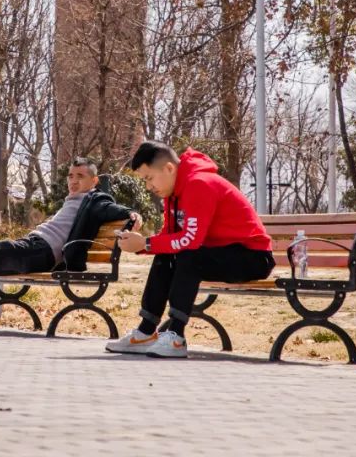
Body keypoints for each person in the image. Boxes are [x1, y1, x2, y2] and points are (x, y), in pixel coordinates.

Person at [106, 141, 274, 358]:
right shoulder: (173, 194)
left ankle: (175, 335)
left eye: (149, 178)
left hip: (252, 257)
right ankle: (146, 332)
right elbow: (169, 239)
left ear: (168, 168)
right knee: (167, 257)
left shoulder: (199, 184)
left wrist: (145, 243)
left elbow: (189, 241)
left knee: (189, 257)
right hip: (218, 254)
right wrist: (139, 245)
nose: (148, 187)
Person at [0, 157, 141, 324]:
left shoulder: (95, 200)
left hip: (42, 251)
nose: (73, 181)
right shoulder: (72, 199)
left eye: (80, 176)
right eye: (71, 176)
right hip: (32, 245)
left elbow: (111, 208)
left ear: (94, 180)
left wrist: (133, 214)